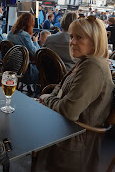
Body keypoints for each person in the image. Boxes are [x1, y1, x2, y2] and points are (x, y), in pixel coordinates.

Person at [34, 15, 114, 172]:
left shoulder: (93, 67)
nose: (72, 42)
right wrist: (51, 98)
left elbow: (68, 111)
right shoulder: (85, 62)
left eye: (79, 37)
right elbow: (60, 87)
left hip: (75, 143)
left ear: (95, 40)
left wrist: (46, 99)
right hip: (65, 130)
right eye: (71, 37)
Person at [7, 13, 40, 92]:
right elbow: (35, 53)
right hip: (24, 70)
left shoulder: (10, 33)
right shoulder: (25, 35)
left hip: (10, 67)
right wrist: (35, 42)